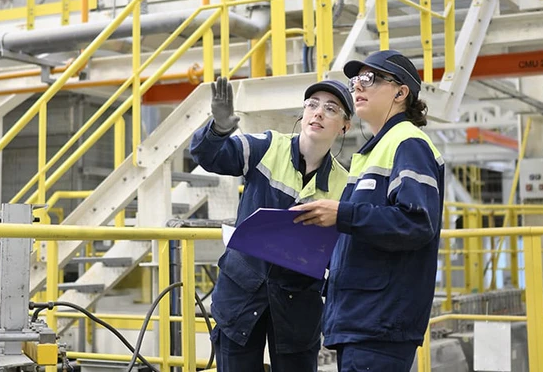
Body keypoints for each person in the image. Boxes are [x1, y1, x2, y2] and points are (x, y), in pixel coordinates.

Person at [291, 50, 445, 372]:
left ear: (401, 92)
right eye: (355, 80)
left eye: (369, 79)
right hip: (361, 319)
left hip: (380, 320)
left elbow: (416, 222)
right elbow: (365, 233)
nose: (357, 87)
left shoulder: (408, 143)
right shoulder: (372, 153)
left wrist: (342, 214)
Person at [189, 76, 354, 372]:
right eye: (312, 105)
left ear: (345, 125)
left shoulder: (345, 185)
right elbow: (208, 156)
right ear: (302, 113)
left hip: (298, 304)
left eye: (330, 109)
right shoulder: (268, 147)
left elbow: (343, 252)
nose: (318, 112)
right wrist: (219, 128)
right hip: (242, 293)